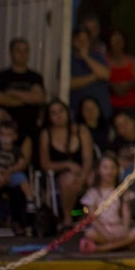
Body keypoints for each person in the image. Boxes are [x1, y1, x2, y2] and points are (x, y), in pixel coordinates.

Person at [38, 98, 94, 229]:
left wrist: (82, 178)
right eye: (53, 113)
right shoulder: (46, 134)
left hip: (84, 170)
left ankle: (88, 214)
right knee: (68, 179)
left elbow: (88, 158)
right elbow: (45, 163)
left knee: (93, 179)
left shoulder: (81, 130)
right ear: (49, 117)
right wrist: (67, 165)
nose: (58, 115)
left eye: (61, 111)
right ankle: (68, 217)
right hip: (61, 175)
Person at [79, 152, 135, 253]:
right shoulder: (93, 193)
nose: (109, 171)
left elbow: (126, 214)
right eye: (105, 168)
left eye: (113, 168)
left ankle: (101, 248)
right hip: (101, 230)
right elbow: (92, 218)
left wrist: (124, 229)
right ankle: (124, 244)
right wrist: (106, 233)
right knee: (89, 233)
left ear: (117, 170)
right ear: (98, 170)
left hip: (119, 228)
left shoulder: (123, 192)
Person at [0, 116, 35, 234]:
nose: (5, 137)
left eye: (8, 134)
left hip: (12, 174)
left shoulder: (16, 150)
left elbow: (22, 163)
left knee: (22, 181)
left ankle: (29, 201)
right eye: (2, 134)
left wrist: (10, 171)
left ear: (14, 136)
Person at [0, 37, 47, 143]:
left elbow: (39, 98)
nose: (22, 54)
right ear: (11, 53)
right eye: (19, 50)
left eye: (26, 51)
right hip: (6, 130)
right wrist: (28, 98)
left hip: (31, 128)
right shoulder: (1, 76)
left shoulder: (36, 77)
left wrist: (12, 93)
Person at [69, 27, 111, 125]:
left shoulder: (98, 57)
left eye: (85, 40)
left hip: (102, 114)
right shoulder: (68, 60)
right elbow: (70, 83)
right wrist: (94, 76)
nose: (82, 43)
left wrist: (85, 57)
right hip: (78, 115)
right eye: (78, 39)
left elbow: (106, 75)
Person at [105, 30, 135, 119]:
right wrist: (113, 87)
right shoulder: (104, 60)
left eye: (119, 40)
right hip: (110, 105)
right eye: (114, 40)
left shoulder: (132, 61)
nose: (116, 43)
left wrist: (126, 85)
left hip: (129, 105)